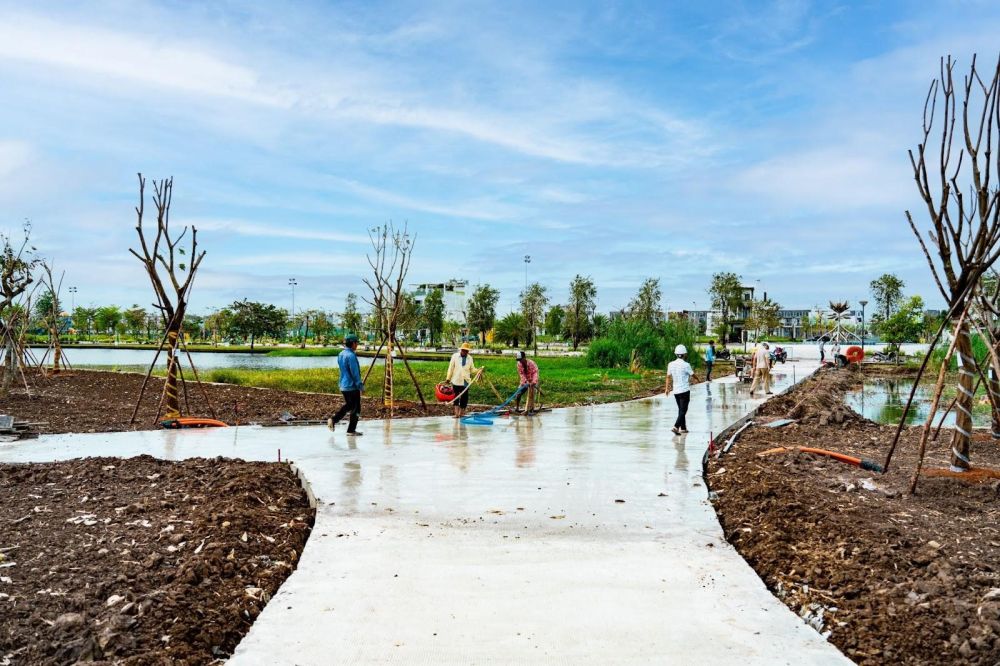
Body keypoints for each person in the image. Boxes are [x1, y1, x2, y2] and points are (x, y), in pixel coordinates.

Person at [328, 334, 364, 436]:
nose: (357, 345)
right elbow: (354, 373)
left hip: (343, 385)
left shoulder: (341, 354)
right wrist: (360, 385)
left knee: (350, 405)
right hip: (352, 386)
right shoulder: (351, 356)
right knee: (356, 408)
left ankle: (334, 420)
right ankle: (350, 430)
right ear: (353, 343)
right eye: (356, 343)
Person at [665, 344, 697, 435]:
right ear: (685, 354)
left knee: (681, 409)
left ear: (676, 354)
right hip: (684, 390)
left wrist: (667, 389)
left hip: (676, 391)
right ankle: (676, 427)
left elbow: (668, 377)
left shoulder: (670, 364)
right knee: (683, 410)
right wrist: (698, 379)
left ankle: (683, 428)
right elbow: (692, 374)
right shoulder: (686, 365)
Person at [446, 342, 477, 418]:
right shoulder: (455, 356)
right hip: (456, 380)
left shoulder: (470, 358)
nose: (465, 352)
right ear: (461, 350)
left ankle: (461, 413)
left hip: (465, 381)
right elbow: (451, 368)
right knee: (456, 397)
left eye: (466, 351)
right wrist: (448, 378)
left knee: (464, 398)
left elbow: (472, 369)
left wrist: (478, 370)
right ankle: (456, 414)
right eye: (464, 350)